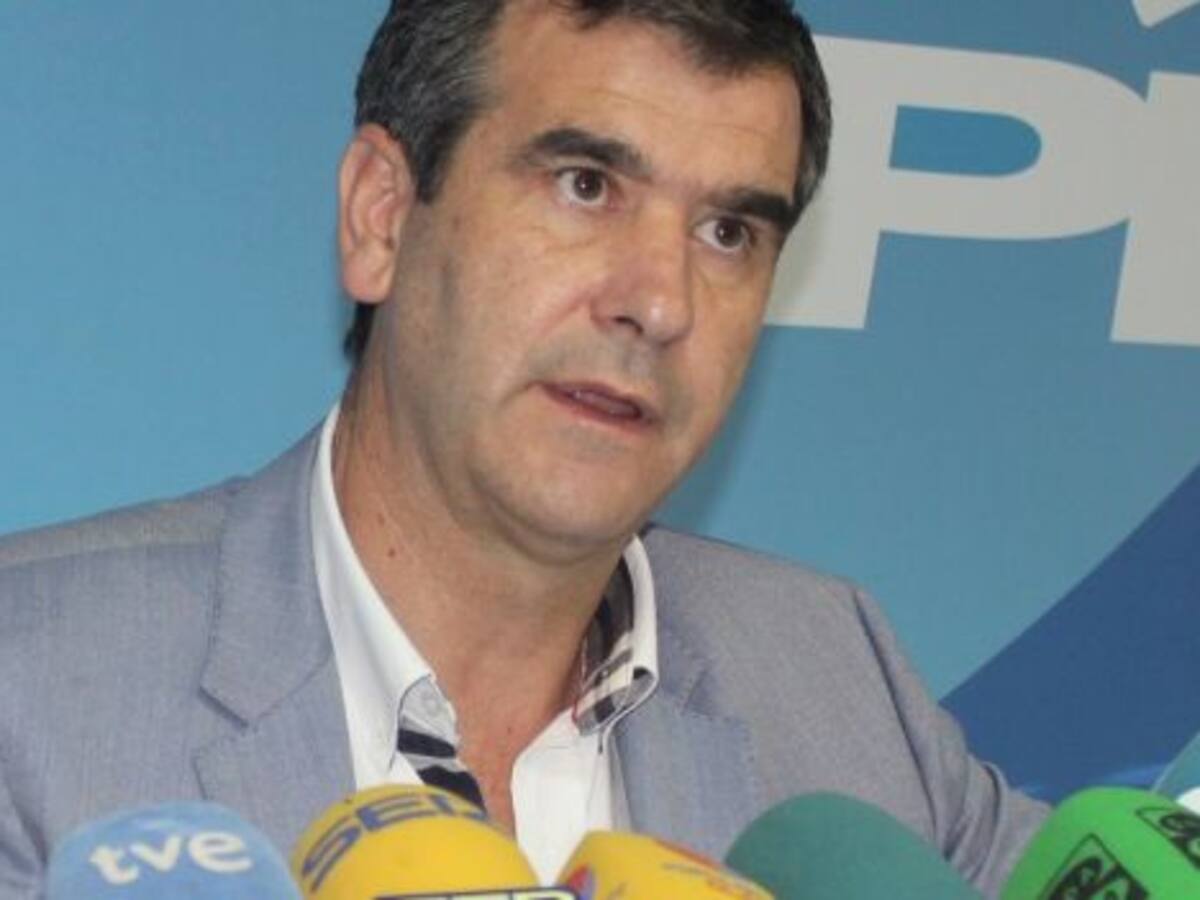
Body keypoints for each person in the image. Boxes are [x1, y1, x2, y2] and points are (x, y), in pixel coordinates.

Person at [0, 0, 1046, 895]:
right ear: (381, 218)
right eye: (585, 185)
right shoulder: (29, 688)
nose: (660, 303)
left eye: (728, 232)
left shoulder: (836, 676)